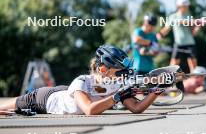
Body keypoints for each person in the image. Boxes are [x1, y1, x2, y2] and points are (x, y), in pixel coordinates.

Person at [0, 45, 167, 115]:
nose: (122, 76)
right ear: (103, 70)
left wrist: (157, 90)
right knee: (4, 109)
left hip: (66, 92)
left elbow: (137, 108)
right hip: (44, 99)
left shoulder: (117, 85)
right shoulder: (82, 81)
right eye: (119, 72)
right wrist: (117, 97)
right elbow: (89, 110)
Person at [157, 0, 204, 72]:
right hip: (178, 44)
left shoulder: (189, 16)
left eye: (187, 6)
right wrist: (160, 34)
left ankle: (195, 82)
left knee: (193, 68)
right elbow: (167, 29)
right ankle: (170, 83)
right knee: (172, 67)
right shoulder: (173, 17)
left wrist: (199, 26)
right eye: (185, 6)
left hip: (190, 44)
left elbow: (193, 33)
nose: (187, 7)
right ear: (179, 6)